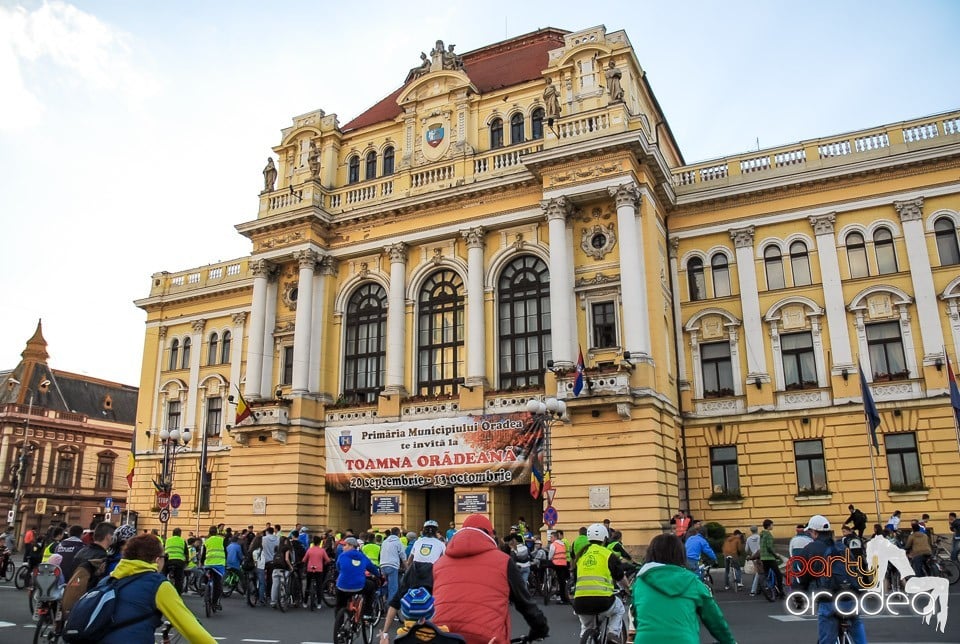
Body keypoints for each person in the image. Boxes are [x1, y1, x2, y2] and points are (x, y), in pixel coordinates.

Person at [431, 513, 548, 644]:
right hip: (487, 638)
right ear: (490, 536)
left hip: (442, 636)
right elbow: (524, 603)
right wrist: (540, 628)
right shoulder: (503, 561)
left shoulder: (439, 563)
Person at [91, 533, 216, 643]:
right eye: (164, 557)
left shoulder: (107, 580)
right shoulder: (157, 584)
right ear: (157, 560)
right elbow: (193, 631)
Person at [632, 533, 736, 644]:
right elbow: (715, 620)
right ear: (680, 554)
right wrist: (729, 641)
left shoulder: (641, 582)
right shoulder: (692, 581)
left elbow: (637, 617)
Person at [793, 515, 867, 644]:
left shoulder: (810, 549)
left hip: (828, 599)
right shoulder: (842, 547)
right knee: (855, 620)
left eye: (810, 532)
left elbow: (800, 577)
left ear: (814, 532)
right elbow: (856, 569)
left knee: (826, 638)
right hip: (851, 595)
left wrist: (799, 598)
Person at [573, 523, 626, 644]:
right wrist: (628, 589)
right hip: (603, 601)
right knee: (619, 609)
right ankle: (613, 633)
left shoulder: (581, 555)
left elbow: (575, 578)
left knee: (587, 627)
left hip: (580, 602)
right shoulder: (607, 554)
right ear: (605, 539)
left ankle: (586, 638)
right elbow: (620, 577)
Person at [336, 537, 380, 618]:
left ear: (351, 546)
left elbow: (338, 568)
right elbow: (372, 568)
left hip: (342, 586)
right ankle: (367, 612)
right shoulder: (362, 556)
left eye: (345, 545)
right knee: (371, 586)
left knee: (340, 604)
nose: (343, 547)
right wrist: (378, 575)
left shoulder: (342, 556)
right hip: (359, 586)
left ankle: (339, 620)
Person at [303, 535, 331, 608]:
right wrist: (323, 563)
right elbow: (328, 560)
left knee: (308, 585)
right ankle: (319, 603)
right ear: (319, 542)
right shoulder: (322, 550)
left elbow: (304, 560)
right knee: (319, 586)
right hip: (319, 569)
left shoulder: (309, 550)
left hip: (310, 568)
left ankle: (305, 602)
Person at [380, 527, 405, 604]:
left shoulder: (385, 542)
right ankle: (391, 607)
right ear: (398, 533)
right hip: (392, 566)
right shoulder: (398, 542)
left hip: (383, 566)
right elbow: (403, 556)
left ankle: (381, 599)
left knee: (386, 584)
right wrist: (407, 568)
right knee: (393, 588)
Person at [759, 519, 783, 595]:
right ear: (769, 526)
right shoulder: (768, 535)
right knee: (779, 574)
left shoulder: (762, 535)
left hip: (763, 557)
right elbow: (769, 547)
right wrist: (776, 556)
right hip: (769, 558)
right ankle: (781, 591)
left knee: (766, 574)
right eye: (772, 525)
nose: (773, 526)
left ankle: (768, 589)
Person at [547, 531, 571, 604]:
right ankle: (564, 597)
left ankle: (562, 598)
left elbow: (550, 555)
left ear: (555, 537)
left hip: (556, 564)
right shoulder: (562, 544)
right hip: (564, 564)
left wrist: (549, 559)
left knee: (560, 581)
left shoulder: (553, 544)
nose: (550, 539)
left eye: (551, 537)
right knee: (562, 581)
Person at [164, 527, 188, 594]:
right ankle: (178, 594)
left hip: (168, 561)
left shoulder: (167, 540)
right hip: (179, 562)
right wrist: (187, 561)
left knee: (163, 576)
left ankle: (163, 588)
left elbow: (163, 550)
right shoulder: (182, 541)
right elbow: (186, 553)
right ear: (180, 534)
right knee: (179, 580)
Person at [744, 525, 761, 596]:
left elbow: (746, 550)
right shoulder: (760, 537)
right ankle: (753, 590)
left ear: (751, 531)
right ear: (757, 530)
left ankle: (758, 587)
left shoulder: (749, 539)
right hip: (760, 556)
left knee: (757, 572)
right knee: (759, 573)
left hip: (753, 556)